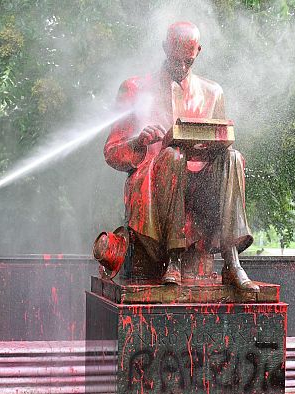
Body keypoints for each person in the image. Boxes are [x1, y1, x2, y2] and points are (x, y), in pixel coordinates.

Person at [103, 21, 257, 291]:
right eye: (176, 60)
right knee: (173, 155)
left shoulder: (213, 93)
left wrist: (212, 146)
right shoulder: (135, 88)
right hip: (156, 183)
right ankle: (172, 260)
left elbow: (220, 144)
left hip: (200, 186)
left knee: (232, 157)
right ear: (164, 48)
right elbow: (112, 151)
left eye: (189, 61)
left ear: (199, 51)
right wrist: (139, 142)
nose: (182, 68)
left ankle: (232, 261)